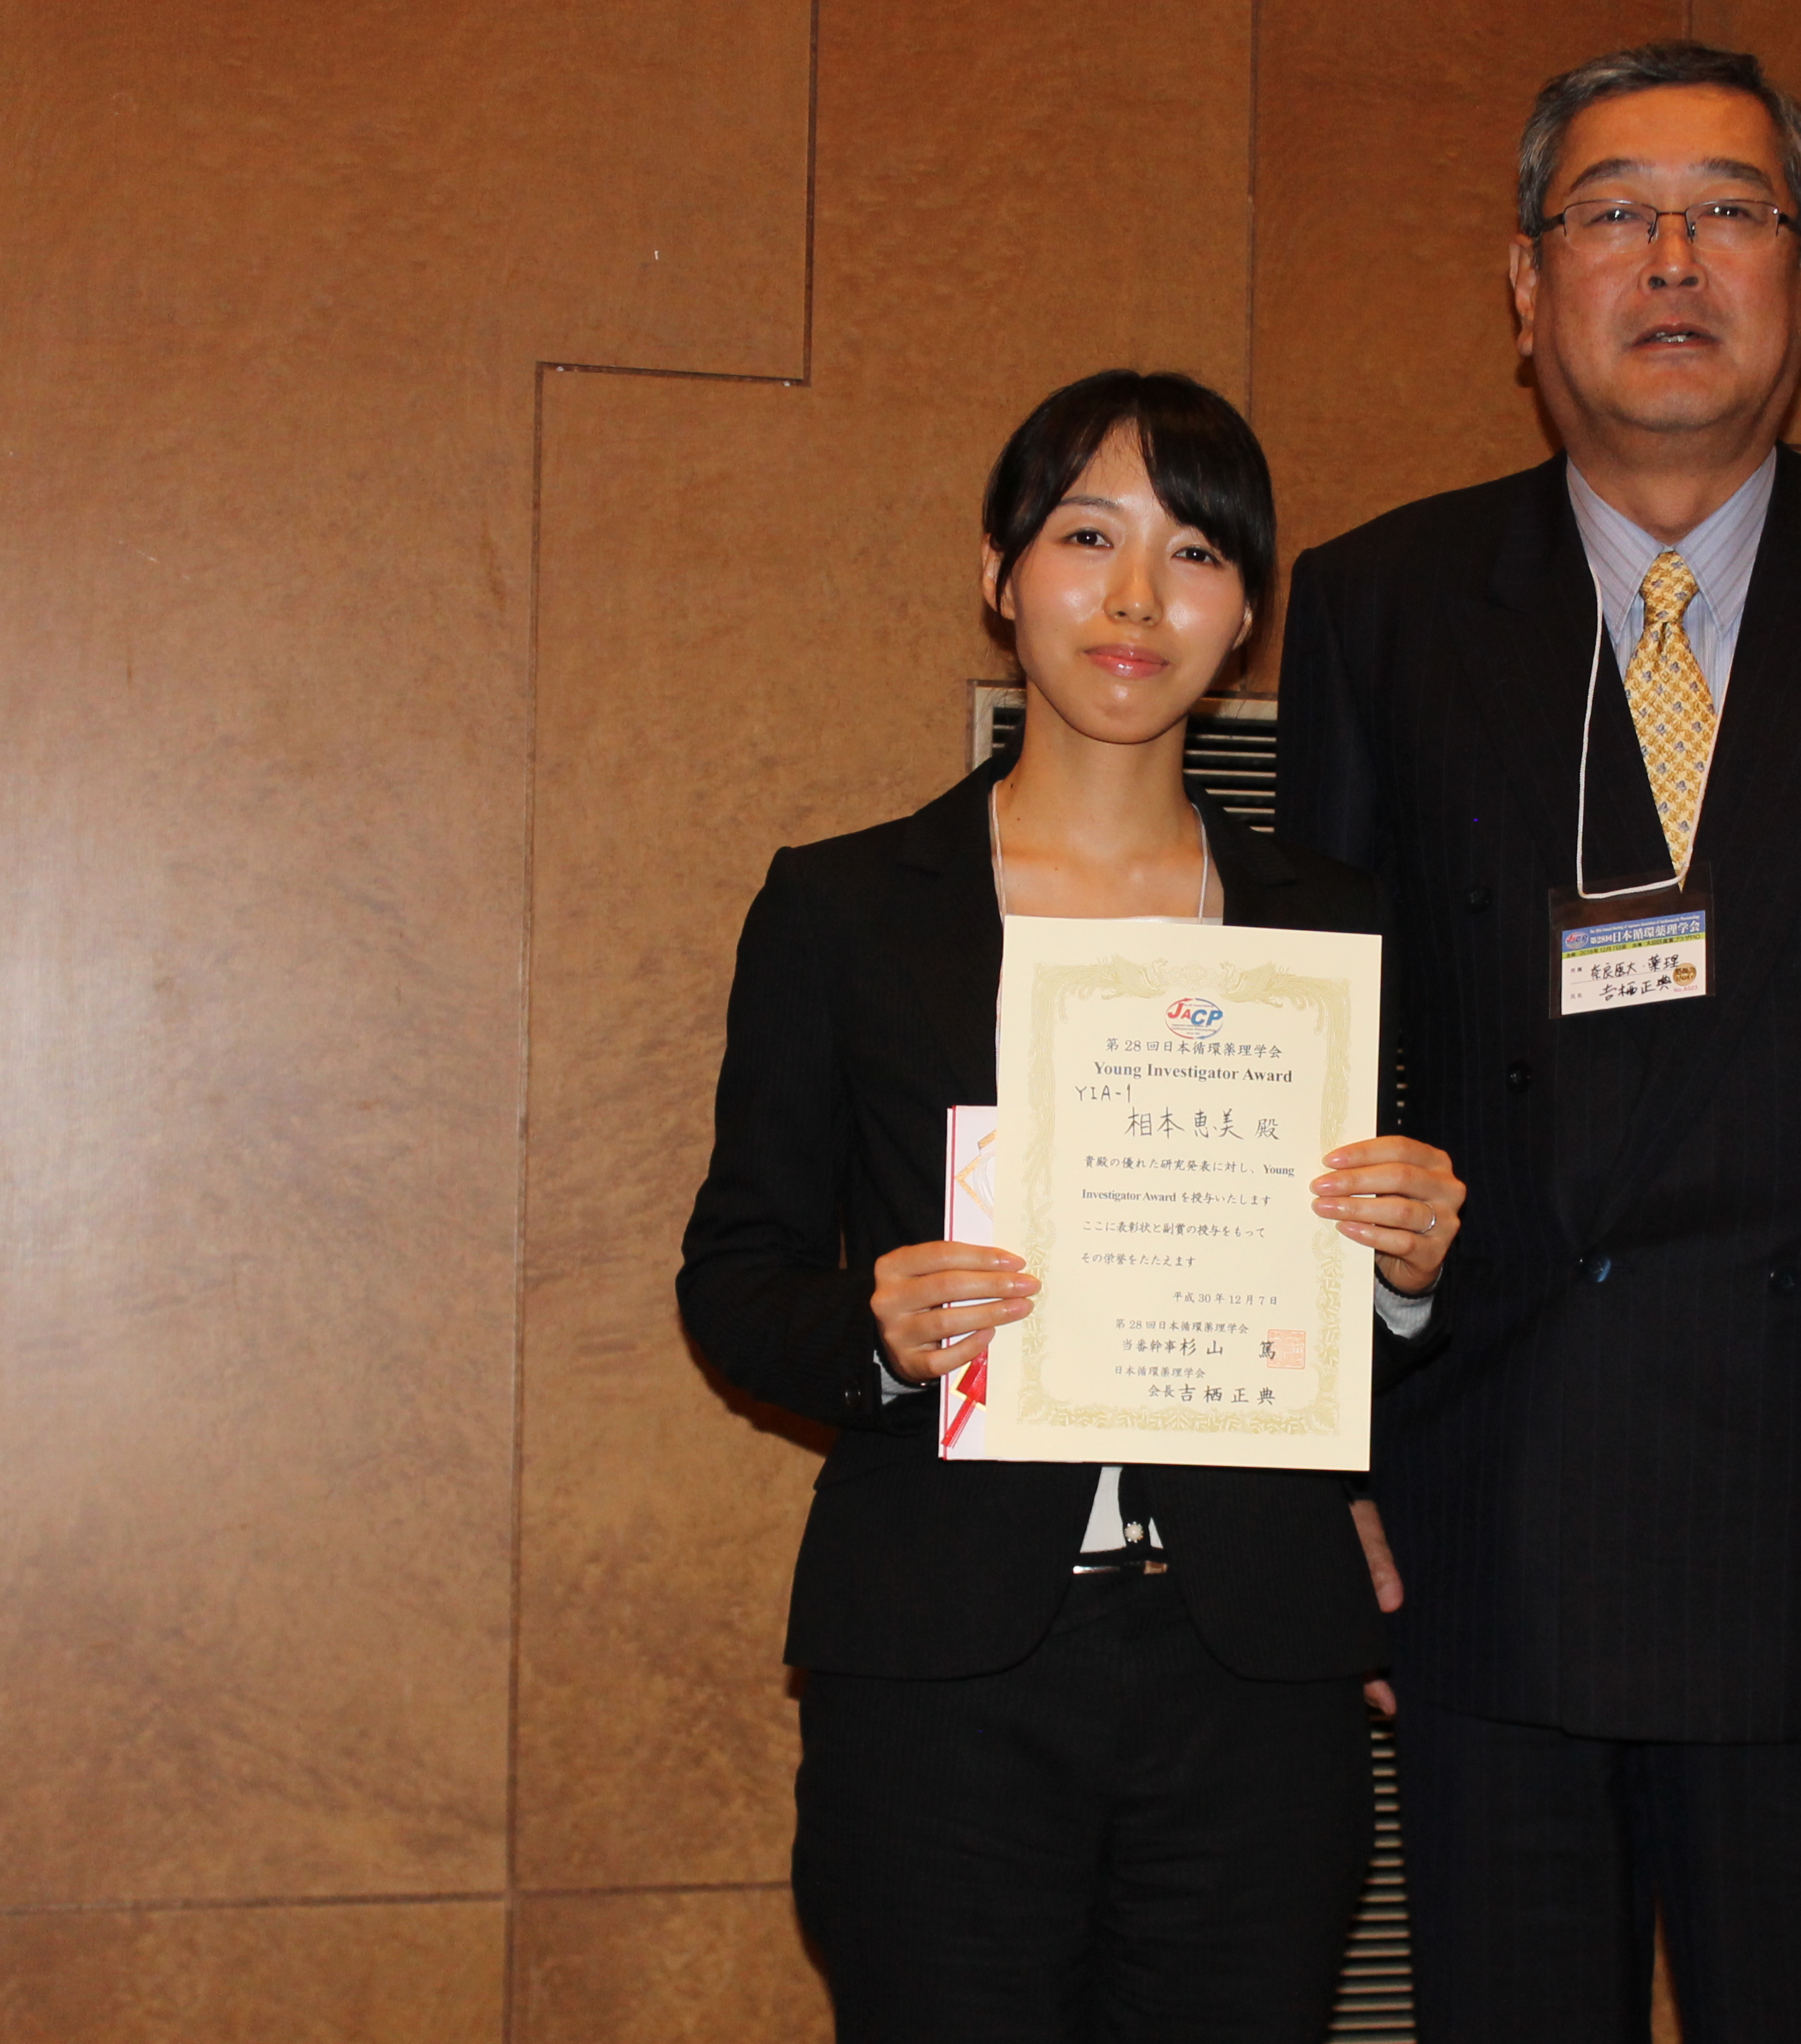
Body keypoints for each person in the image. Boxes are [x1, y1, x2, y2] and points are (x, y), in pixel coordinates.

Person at [1276, 42, 1801, 2043]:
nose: (1672, 257)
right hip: (1489, 1524)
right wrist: (1313, 1473)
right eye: (1612, 212)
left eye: (1729, 211)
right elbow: (1316, 1077)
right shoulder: (1382, 605)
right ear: (1527, 287)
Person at [677, 368, 1468, 2044]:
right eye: (1087, 537)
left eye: (1194, 553)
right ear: (1001, 573)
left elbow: (1361, 1328)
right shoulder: (844, 909)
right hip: (944, 1661)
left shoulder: (1330, 927)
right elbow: (736, 1272)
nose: (1134, 597)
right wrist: (876, 1329)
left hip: (1254, 1666)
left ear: (1244, 615)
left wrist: (1403, 1276)